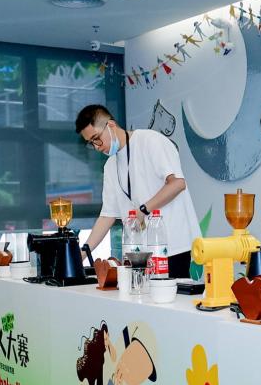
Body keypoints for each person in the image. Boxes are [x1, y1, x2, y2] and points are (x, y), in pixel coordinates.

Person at [75, 105, 199, 278]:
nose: (96, 147)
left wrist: (142, 210)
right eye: (91, 143)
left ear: (111, 125)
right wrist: (81, 254)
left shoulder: (151, 141)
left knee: (170, 294)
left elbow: (177, 184)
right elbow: (107, 216)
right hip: (140, 254)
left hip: (171, 247)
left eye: (96, 138)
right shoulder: (110, 166)